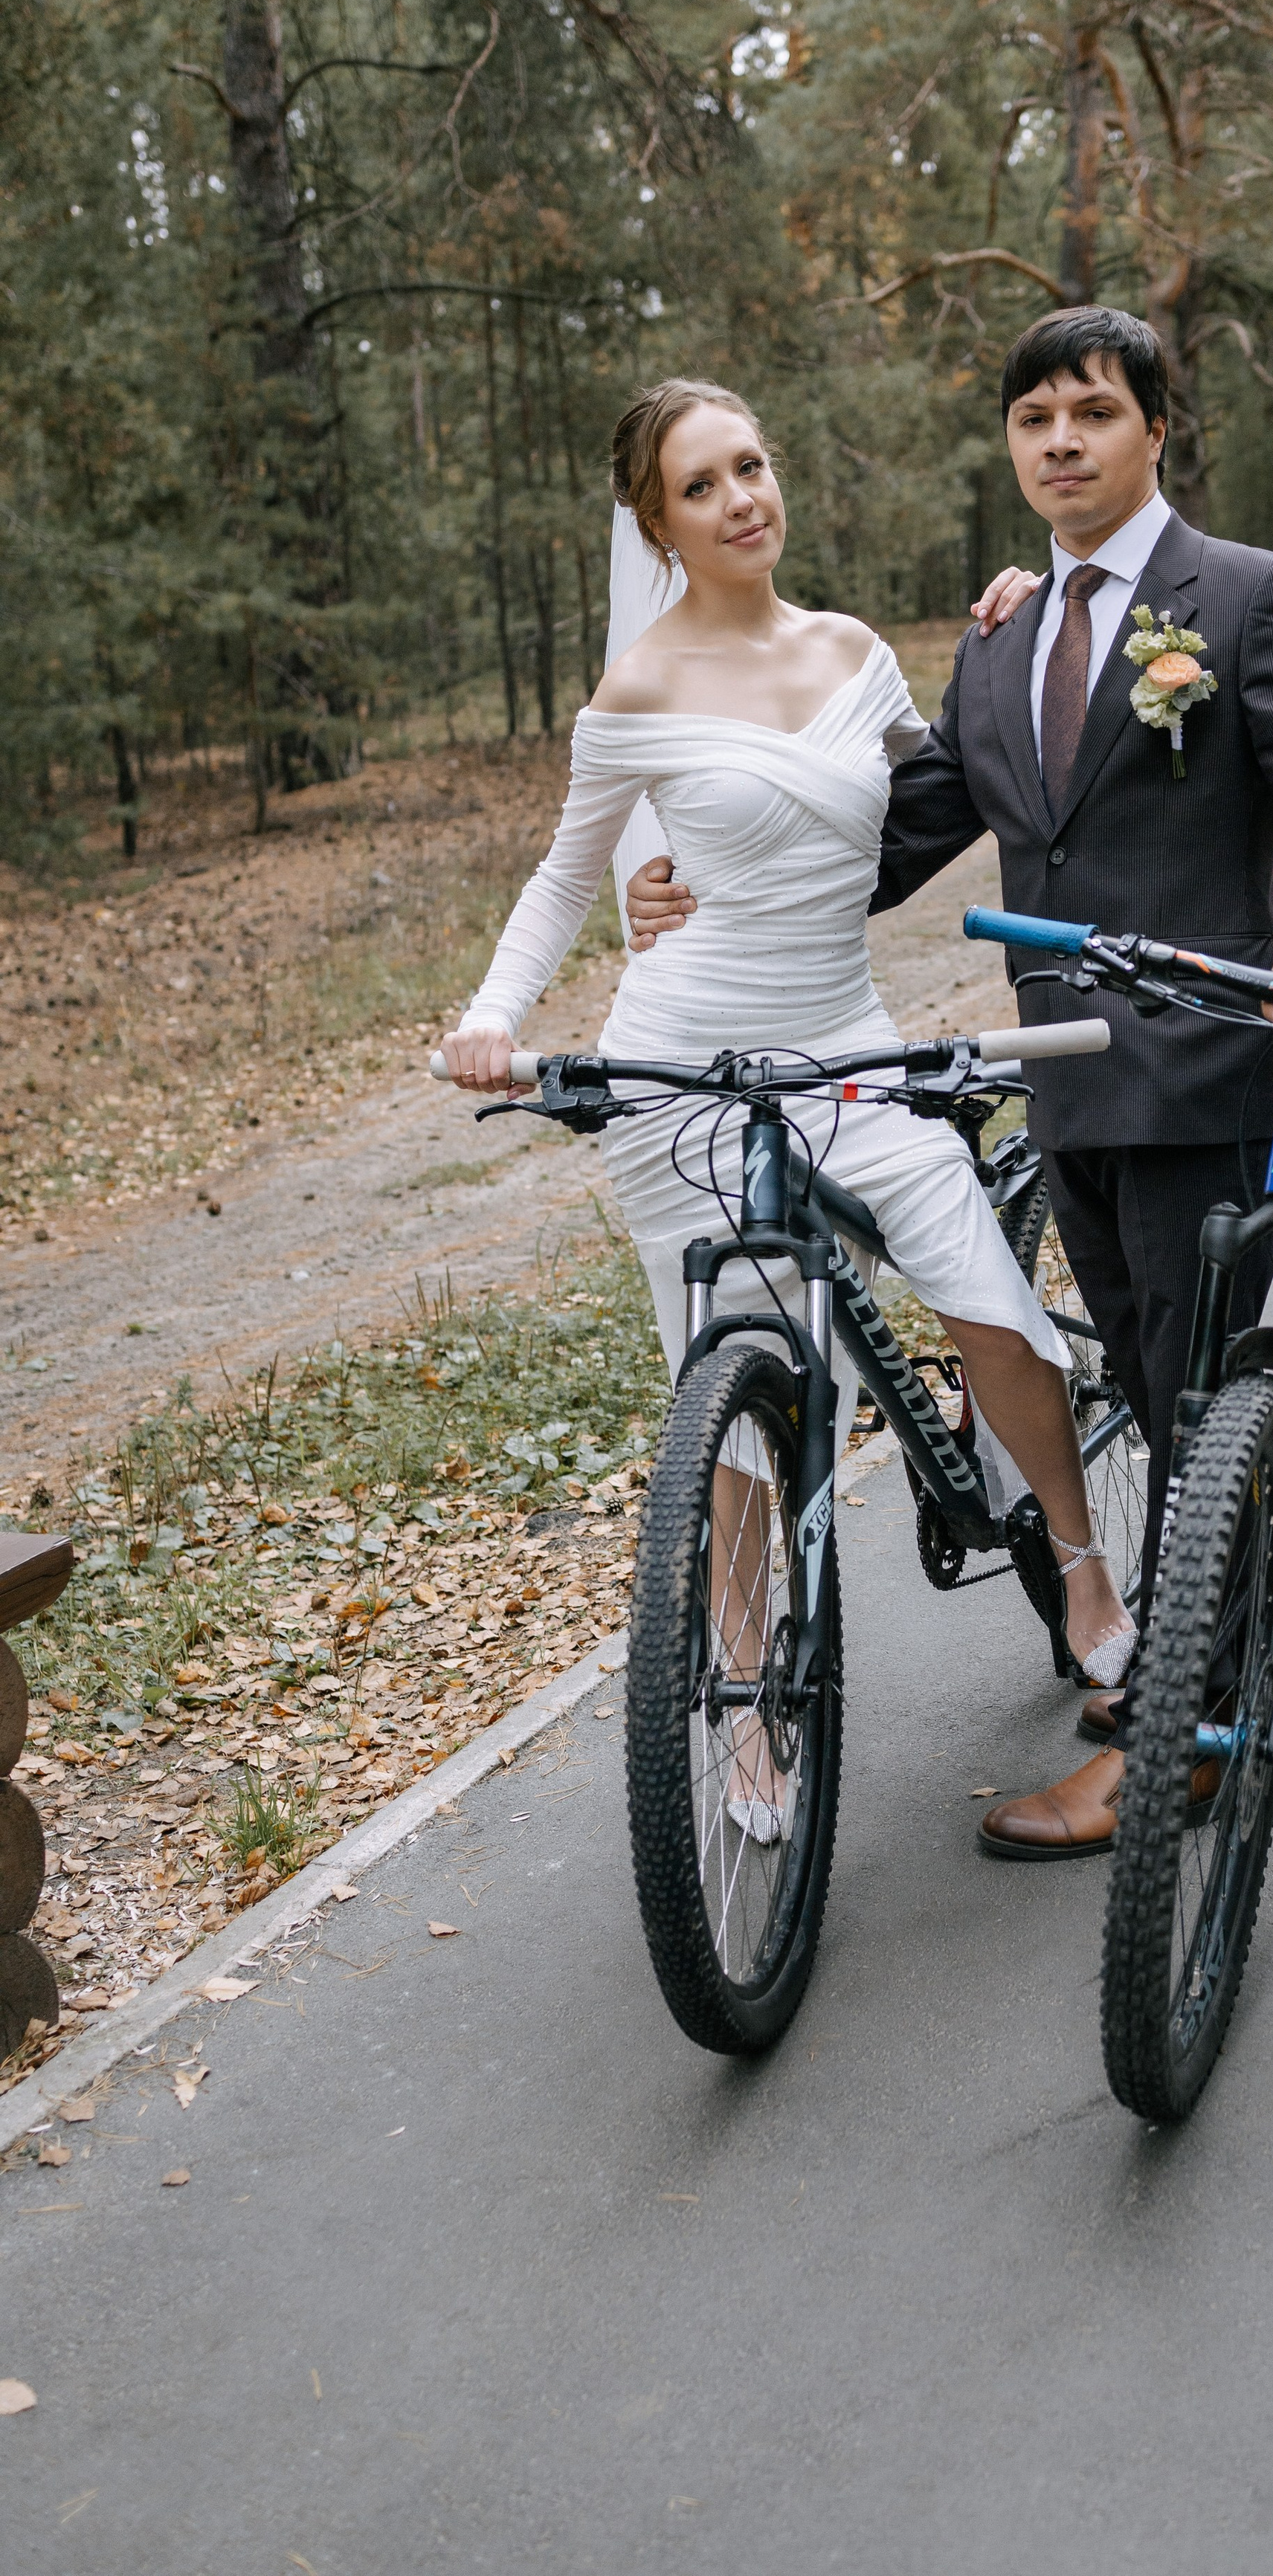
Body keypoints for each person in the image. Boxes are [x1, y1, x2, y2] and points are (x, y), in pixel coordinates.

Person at [625, 309, 1273, 1858]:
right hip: (1062, 1098)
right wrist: (709, 895)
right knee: (1141, 1381)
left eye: (1092, 412)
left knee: (1199, 1420)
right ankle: (1236, 1669)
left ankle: (1187, 1742)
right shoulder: (997, 638)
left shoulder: (1245, 598)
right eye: (1034, 417)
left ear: (1151, 432)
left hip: (1198, 1086)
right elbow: (890, 831)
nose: (1060, 439)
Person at [438, 378, 1136, 1840]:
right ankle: (748, 1700)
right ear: (659, 523)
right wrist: (496, 1017)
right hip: (684, 1068)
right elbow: (570, 876)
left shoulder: (854, 654)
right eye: (701, 486)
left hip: (842, 1043)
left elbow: (948, 785)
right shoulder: (631, 697)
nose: (740, 497)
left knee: (985, 1307)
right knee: (742, 1407)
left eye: (750, 464)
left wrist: (1009, 640)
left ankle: (1077, 1566)